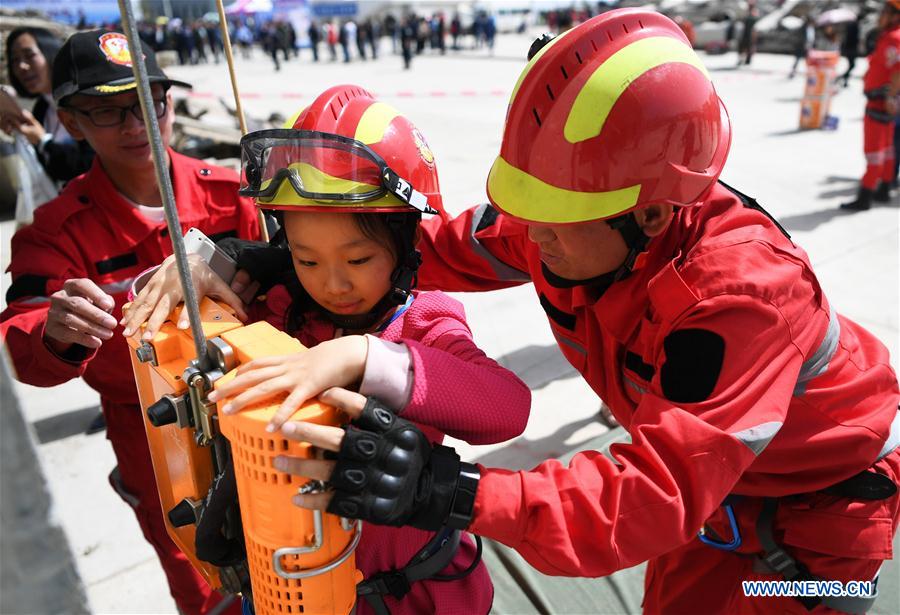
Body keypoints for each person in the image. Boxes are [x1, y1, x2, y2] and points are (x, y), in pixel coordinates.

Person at [267, 11, 900, 614]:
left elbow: (653, 492)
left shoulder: (741, 300)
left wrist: (451, 490)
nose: (528, 236)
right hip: (718, 500)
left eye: (553, 223)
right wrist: (276, 258)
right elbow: (413, 253)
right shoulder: (571, 219)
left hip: (816, 528)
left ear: (650, 214)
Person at [121, 84, 531, 615]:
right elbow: (175, 323)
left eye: (358, 260)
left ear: (407, 245)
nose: (333, 284)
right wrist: (198, 264)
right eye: (308, 260)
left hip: (414, 596)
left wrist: (366, 358)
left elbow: (507, 407)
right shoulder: (276, 308)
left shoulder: (425, 322)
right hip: (290, 590)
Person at [0, 30, 260, 615]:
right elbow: (17, 337)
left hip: (259, 410)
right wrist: (55, 332)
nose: (137, 124)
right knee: (205, 583)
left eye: (149, 103)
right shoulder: (54, 232)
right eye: (108, 111)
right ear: (69, 120)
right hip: (151, 439)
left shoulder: (234, 193)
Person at [1, 27, 94, 183]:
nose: (21, 66)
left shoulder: (84, 102)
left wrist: (43, 140)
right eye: (15, 60)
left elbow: (88, 164)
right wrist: (22, 136)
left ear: (51, 53)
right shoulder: (42, 108)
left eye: (29, 56)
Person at [841, 1, 900, 211]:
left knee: (874, 150)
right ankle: (883, 188)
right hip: (884, 101)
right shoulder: (890, 35)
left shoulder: (894, 38)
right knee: (886, 149)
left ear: (894, 15)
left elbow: (897, 71)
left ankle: (865, 196)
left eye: (884, 12)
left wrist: (892, 98)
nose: (879, 16)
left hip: (880, 102)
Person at [839, 12, 862, 87]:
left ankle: (845, 79)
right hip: (851, 48)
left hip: (849, 48)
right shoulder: (854, 26)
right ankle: (844, 78)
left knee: (851, 65)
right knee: (852, 65)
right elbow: (853, 38)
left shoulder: (850, 25)